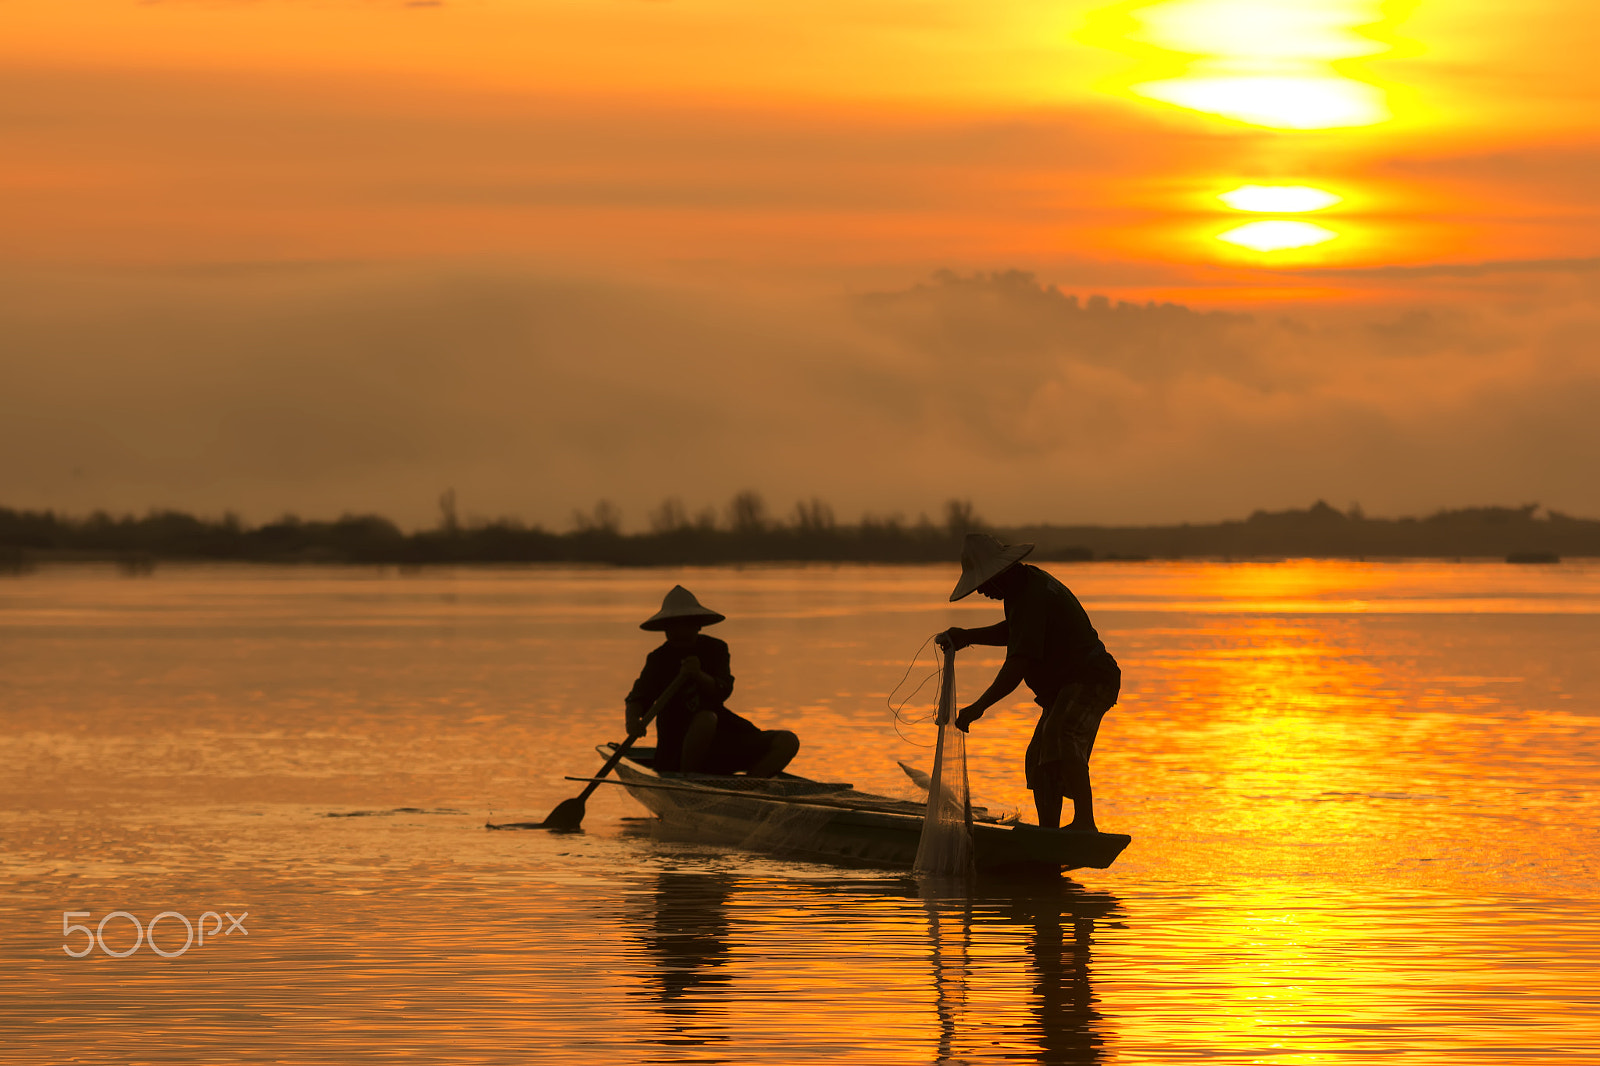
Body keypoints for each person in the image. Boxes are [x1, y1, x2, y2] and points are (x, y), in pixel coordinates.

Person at [936, 533, 1120, 831]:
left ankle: (1085, 822)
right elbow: (1014, 631)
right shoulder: (1022, 590)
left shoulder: (1031, 592)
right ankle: (1049, 833)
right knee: (1038, 758)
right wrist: (966, 636)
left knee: (1061, 735)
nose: (982, 592)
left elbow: (1018, 664)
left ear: (998, 575)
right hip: (1066, 686)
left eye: (983, 585)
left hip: (1091, 678)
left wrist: (979, 707)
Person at [625, 585, 799, 777]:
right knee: (705, 719)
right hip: (677, 747)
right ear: (665, 629)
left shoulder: (715, 649)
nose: (679, 632)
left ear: (698, 625)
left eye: (686, 625)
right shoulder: (659, 659)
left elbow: (722, 691)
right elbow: (638, 698)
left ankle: (750, 786)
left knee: (787, 741)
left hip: (724, 739)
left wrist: (698, 675)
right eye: (673, 626)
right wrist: (632, 720)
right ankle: (687, 782)